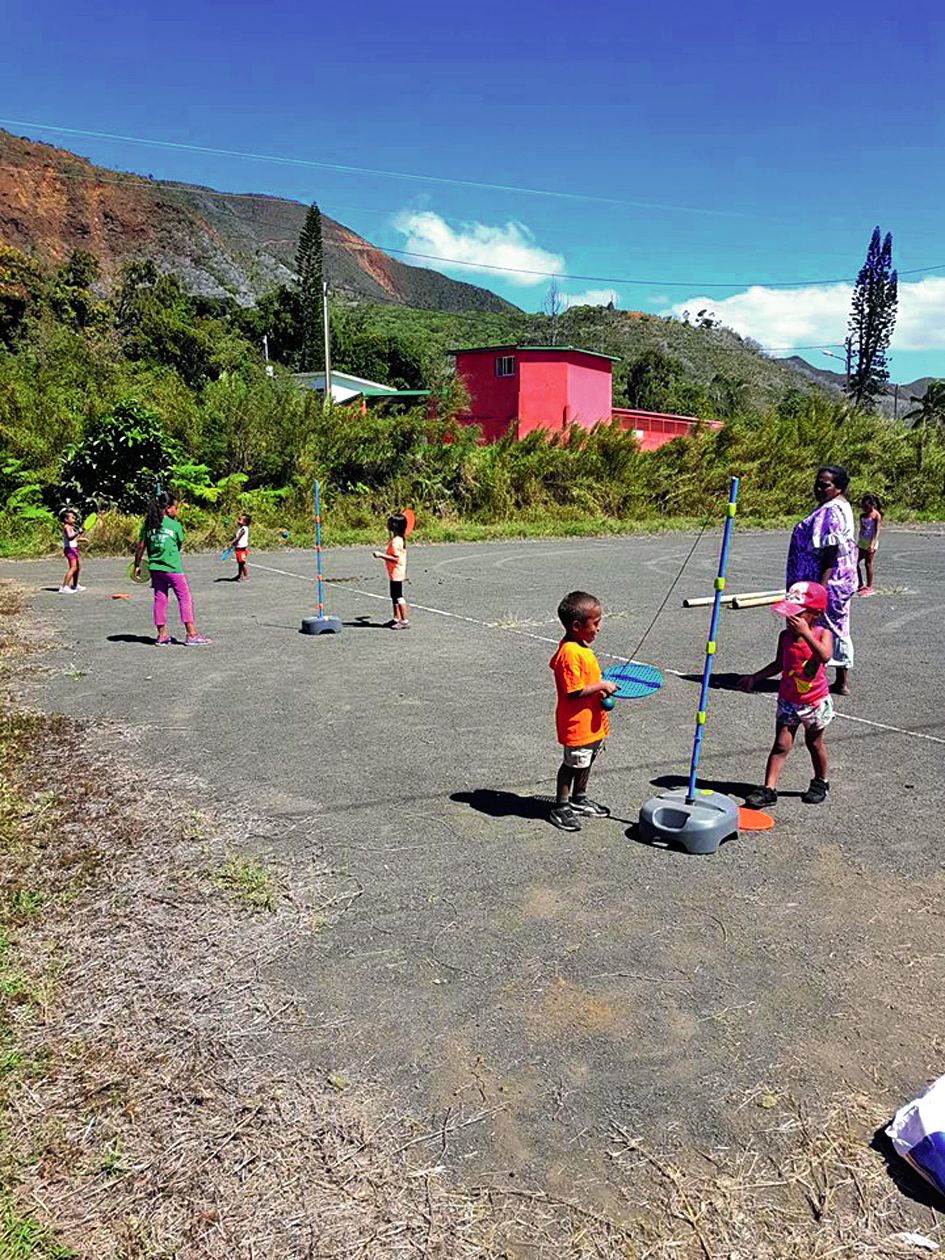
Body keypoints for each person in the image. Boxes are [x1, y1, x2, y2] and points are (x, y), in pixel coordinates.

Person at [739, 581, 834, 808]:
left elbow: (824, 657)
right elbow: (779, 664)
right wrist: (755, 677)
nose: (790, 619)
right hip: (788, 700)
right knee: (781, 744)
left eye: (796, 615)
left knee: (814, 743)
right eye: (787, 614)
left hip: (814, 702)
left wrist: (806, 634)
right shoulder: (785, 637)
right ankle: (769, 788)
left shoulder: (822, 634)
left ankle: (821, 781)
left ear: (816, 614)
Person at [548, 591, 617, 832]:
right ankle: (561, 806)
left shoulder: (581, 646)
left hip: (592, 721)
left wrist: (600, 690)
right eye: (595, 623)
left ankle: (579, 797)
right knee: (572, 764)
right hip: (577, 724)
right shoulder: (569, 653)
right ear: (577, 626)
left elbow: (587, 681)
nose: (599, 628)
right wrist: (602, 685)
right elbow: (574, 691)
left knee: (586, 760)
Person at [785, 464, 857, 696]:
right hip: (832, 580)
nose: (818, 488)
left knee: (820, 626)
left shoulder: (832, 511)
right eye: (817, 484)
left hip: (826, 581)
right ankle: (832, 678)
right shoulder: (836, 506)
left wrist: (820, 589)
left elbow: (830, 552)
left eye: (824, 485)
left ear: (839, 487)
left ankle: (813, 677)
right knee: (833, 625)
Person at [133, 492, 211, 646]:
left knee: (160, 599)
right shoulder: (174, 525)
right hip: (173, 568)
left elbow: (141, 546)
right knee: (184, 597)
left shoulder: (148, 524)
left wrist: (137, 564)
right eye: (176, 507)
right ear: (168, 508)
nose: (177, 510)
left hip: (155, 568)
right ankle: (191, 634)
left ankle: (162, 635)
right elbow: (179, 544)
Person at [373, 512, 410, 629]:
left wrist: (380, 555)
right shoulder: (399, 539)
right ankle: (396, 618)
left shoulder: (395, 541)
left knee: (398, 596)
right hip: (394, 572)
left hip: (396, 572)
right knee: (394, 595)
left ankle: (404, 620)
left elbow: (395, 558)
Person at [857, 493, 883, 596]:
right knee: (855, 562)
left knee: (868, 564)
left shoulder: (876, 515)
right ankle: (860, 583)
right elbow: (862, 529)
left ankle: (869, 586)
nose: (864, 509)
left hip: (871, 541)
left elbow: (876, 531)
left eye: (866, 506)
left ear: (872, 505)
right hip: (862, 541)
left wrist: (872, 544)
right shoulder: (862, 516)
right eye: (863, 506)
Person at [58, 510, 86, 594]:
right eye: (72, 518)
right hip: (69, 549)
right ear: (66, 519)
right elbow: (70, 537)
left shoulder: (70, 527)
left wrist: (80, 536)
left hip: (73, 548)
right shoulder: (67, 527)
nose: (74, 519)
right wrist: (78, 532)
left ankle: (75, 585)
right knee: (73, 568)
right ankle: (64, 587)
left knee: (77, 568)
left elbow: (73, 539)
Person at [229, 512, 251, 582]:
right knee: (240, 563)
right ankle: (240, 575)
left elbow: (238, 538)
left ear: (245, 523)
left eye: (240, 519)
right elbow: (236, 536)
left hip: (242, 549)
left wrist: (231, 543)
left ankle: (246, 576)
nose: (238, 520)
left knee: (242, 563)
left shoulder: (244, 529)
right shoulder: (240, 528)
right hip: (238, 548)